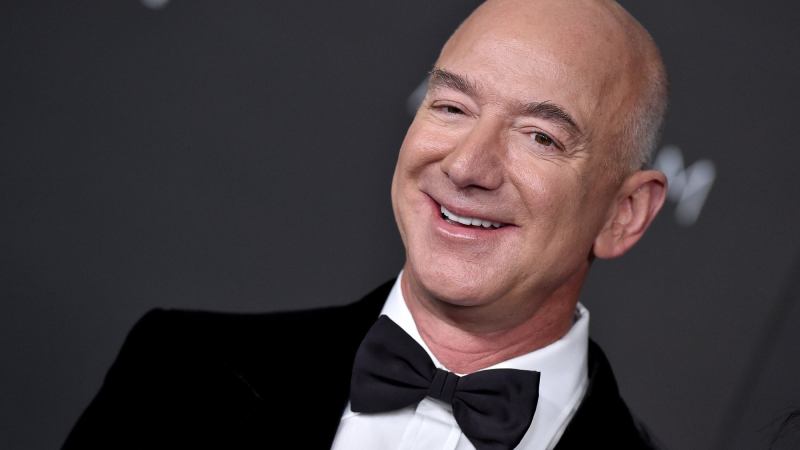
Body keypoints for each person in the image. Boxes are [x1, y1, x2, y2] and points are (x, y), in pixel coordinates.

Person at [64, 0, 668, 448]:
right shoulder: (177, 372)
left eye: (540, 137)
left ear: (624, 214)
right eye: (452, 106)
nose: (467, 166)